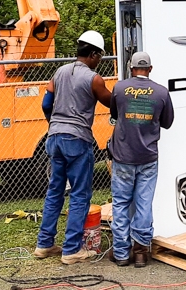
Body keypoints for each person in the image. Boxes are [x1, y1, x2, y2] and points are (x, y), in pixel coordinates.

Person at [34, 30, 112, 265]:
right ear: (93, 53)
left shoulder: (59, 72)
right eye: (100, 56)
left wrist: (54, 123)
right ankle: (71, 250)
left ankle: (44, 244)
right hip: (77, 139)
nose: (100, 60)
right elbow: (111, 102)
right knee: (80, 194)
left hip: (54, 137)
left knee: (55, 191)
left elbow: (46, 103)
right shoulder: (94, 79)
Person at [107, 51, 174, 268]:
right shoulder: (162, 92)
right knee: (144, 204)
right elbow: (167, 122)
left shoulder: (119, 88)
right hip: (148, 157)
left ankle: (121, 253)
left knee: (121, 203)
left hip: (123, 155)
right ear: (150, 69)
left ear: (131, 67)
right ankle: (140, 252)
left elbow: (115, 114)